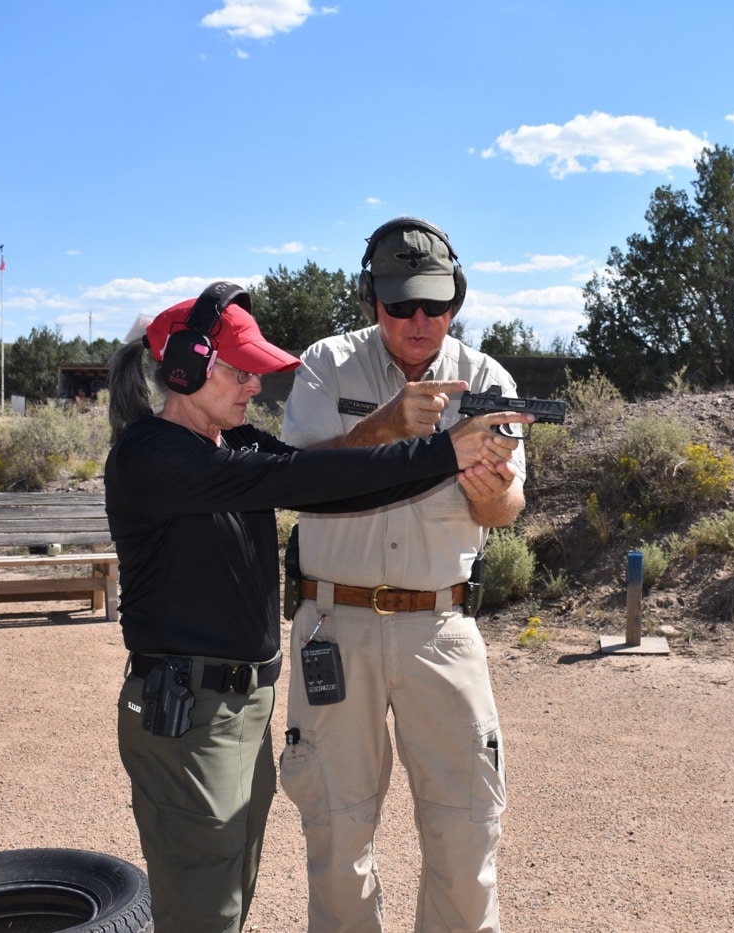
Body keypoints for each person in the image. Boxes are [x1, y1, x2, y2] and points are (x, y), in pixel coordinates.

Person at [103, 281, 526, 933]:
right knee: (202, 907)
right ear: (185, 366)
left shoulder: (227, 444)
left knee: (227, 890)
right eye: (241, 372)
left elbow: (333, 487)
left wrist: (454, 461)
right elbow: (301, 479)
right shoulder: (153, 455)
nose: (254, 388)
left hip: (238, 706)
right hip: (188, 706)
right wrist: (445, 450)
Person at [279, 217, 526, 932]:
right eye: (400, 305)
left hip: (440, 629)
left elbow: (509, 504)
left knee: (466, 827)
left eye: (435, 305)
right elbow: (298, 477)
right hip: (335, 623)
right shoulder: (326, 366)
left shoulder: (487, 379)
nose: (419, 321)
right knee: (336, 829)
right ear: (371, 301)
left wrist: (491, 490)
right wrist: (385, 425)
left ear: (456, 300)